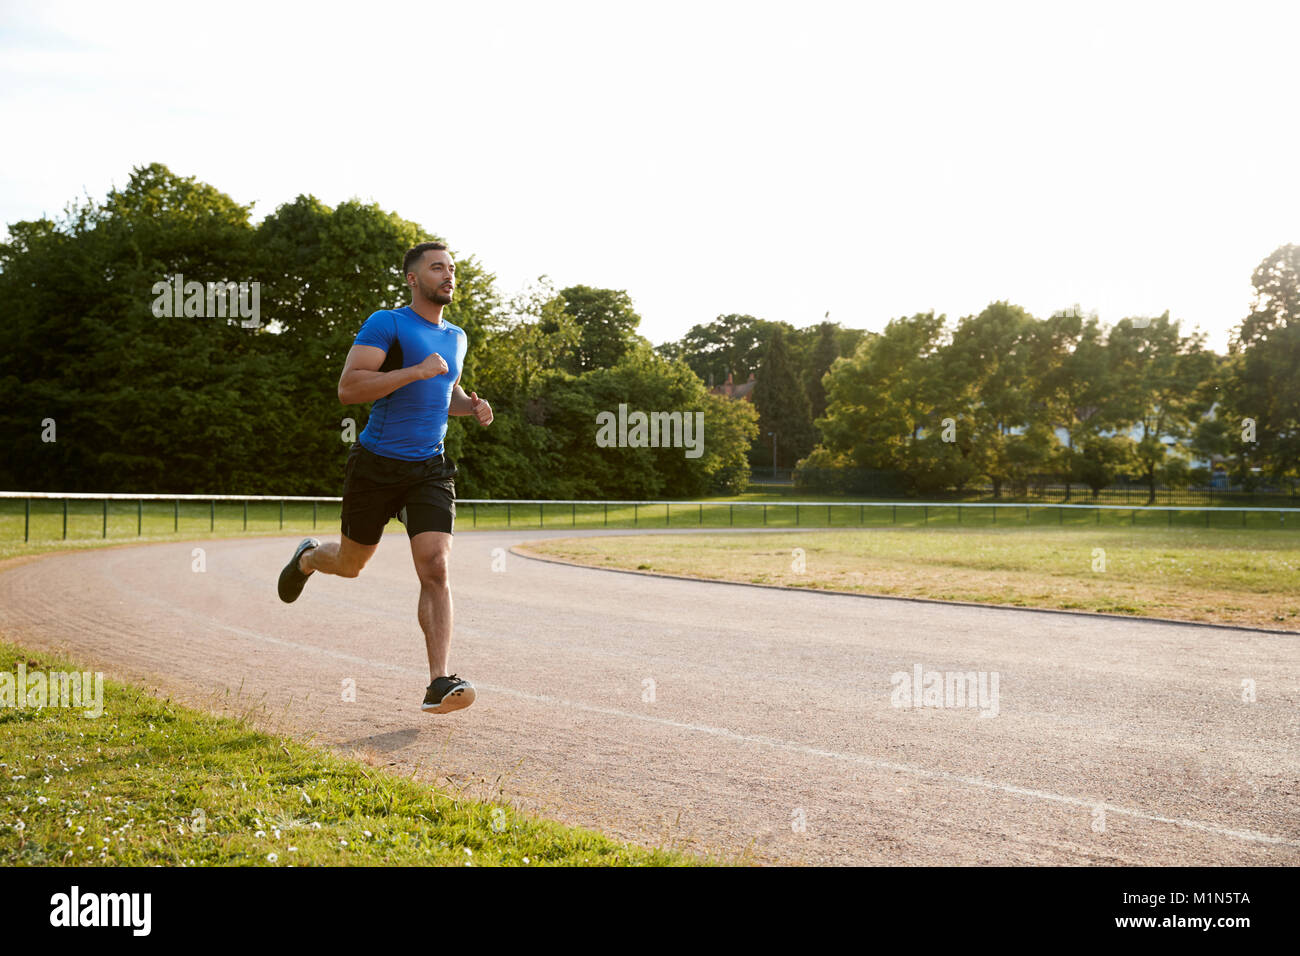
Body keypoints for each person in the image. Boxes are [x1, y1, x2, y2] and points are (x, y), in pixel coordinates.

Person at [276, 241, 493, 714]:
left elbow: (444, 391)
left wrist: (469, 405)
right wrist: (414, 370)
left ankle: (439, 680)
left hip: (429, 468)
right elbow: (349, 388)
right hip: (376, 463)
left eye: (451, 268)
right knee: (352, 565)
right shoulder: (387, 324)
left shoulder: (457, 336)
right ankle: (310, 558)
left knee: (435, 565)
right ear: (413, 279)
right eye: (437, 268)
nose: (448, 275)